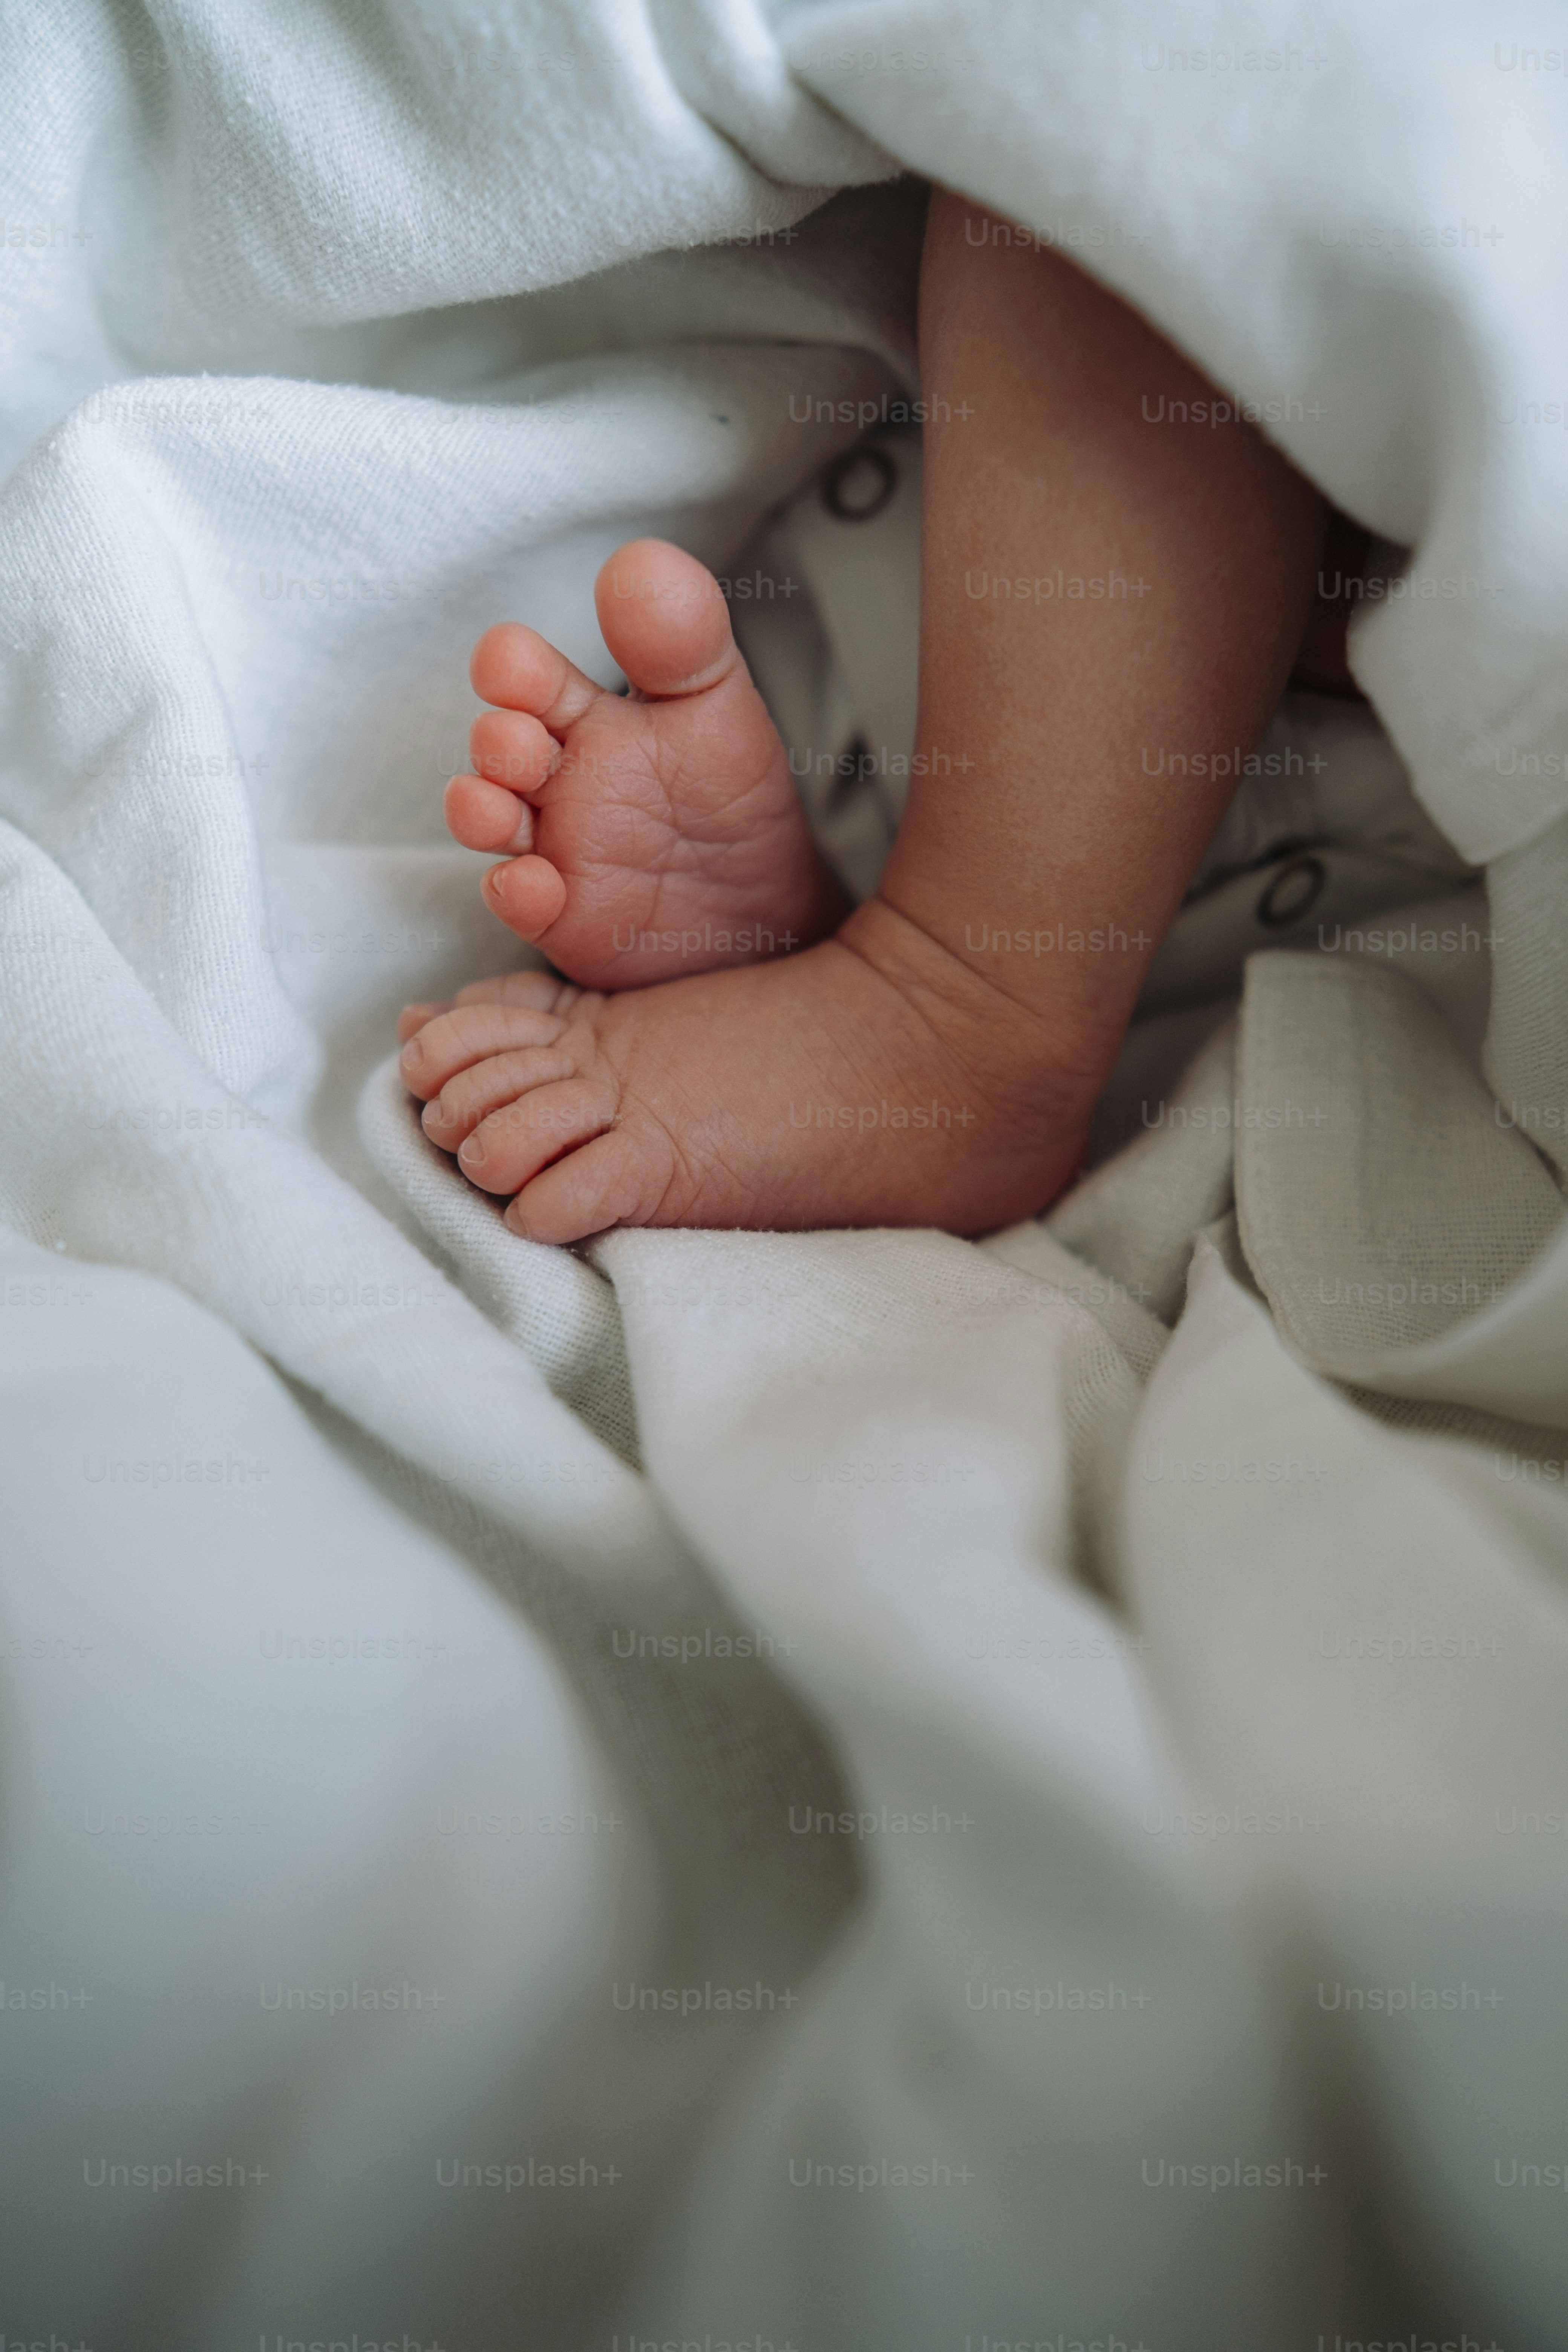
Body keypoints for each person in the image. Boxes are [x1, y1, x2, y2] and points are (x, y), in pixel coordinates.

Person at [397, 190, 1339, 1243]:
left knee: (1127, 155)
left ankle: (972, 1001)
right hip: (1024, 681)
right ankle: (835, 954)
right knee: (1123, 175)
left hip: (1328, 687)